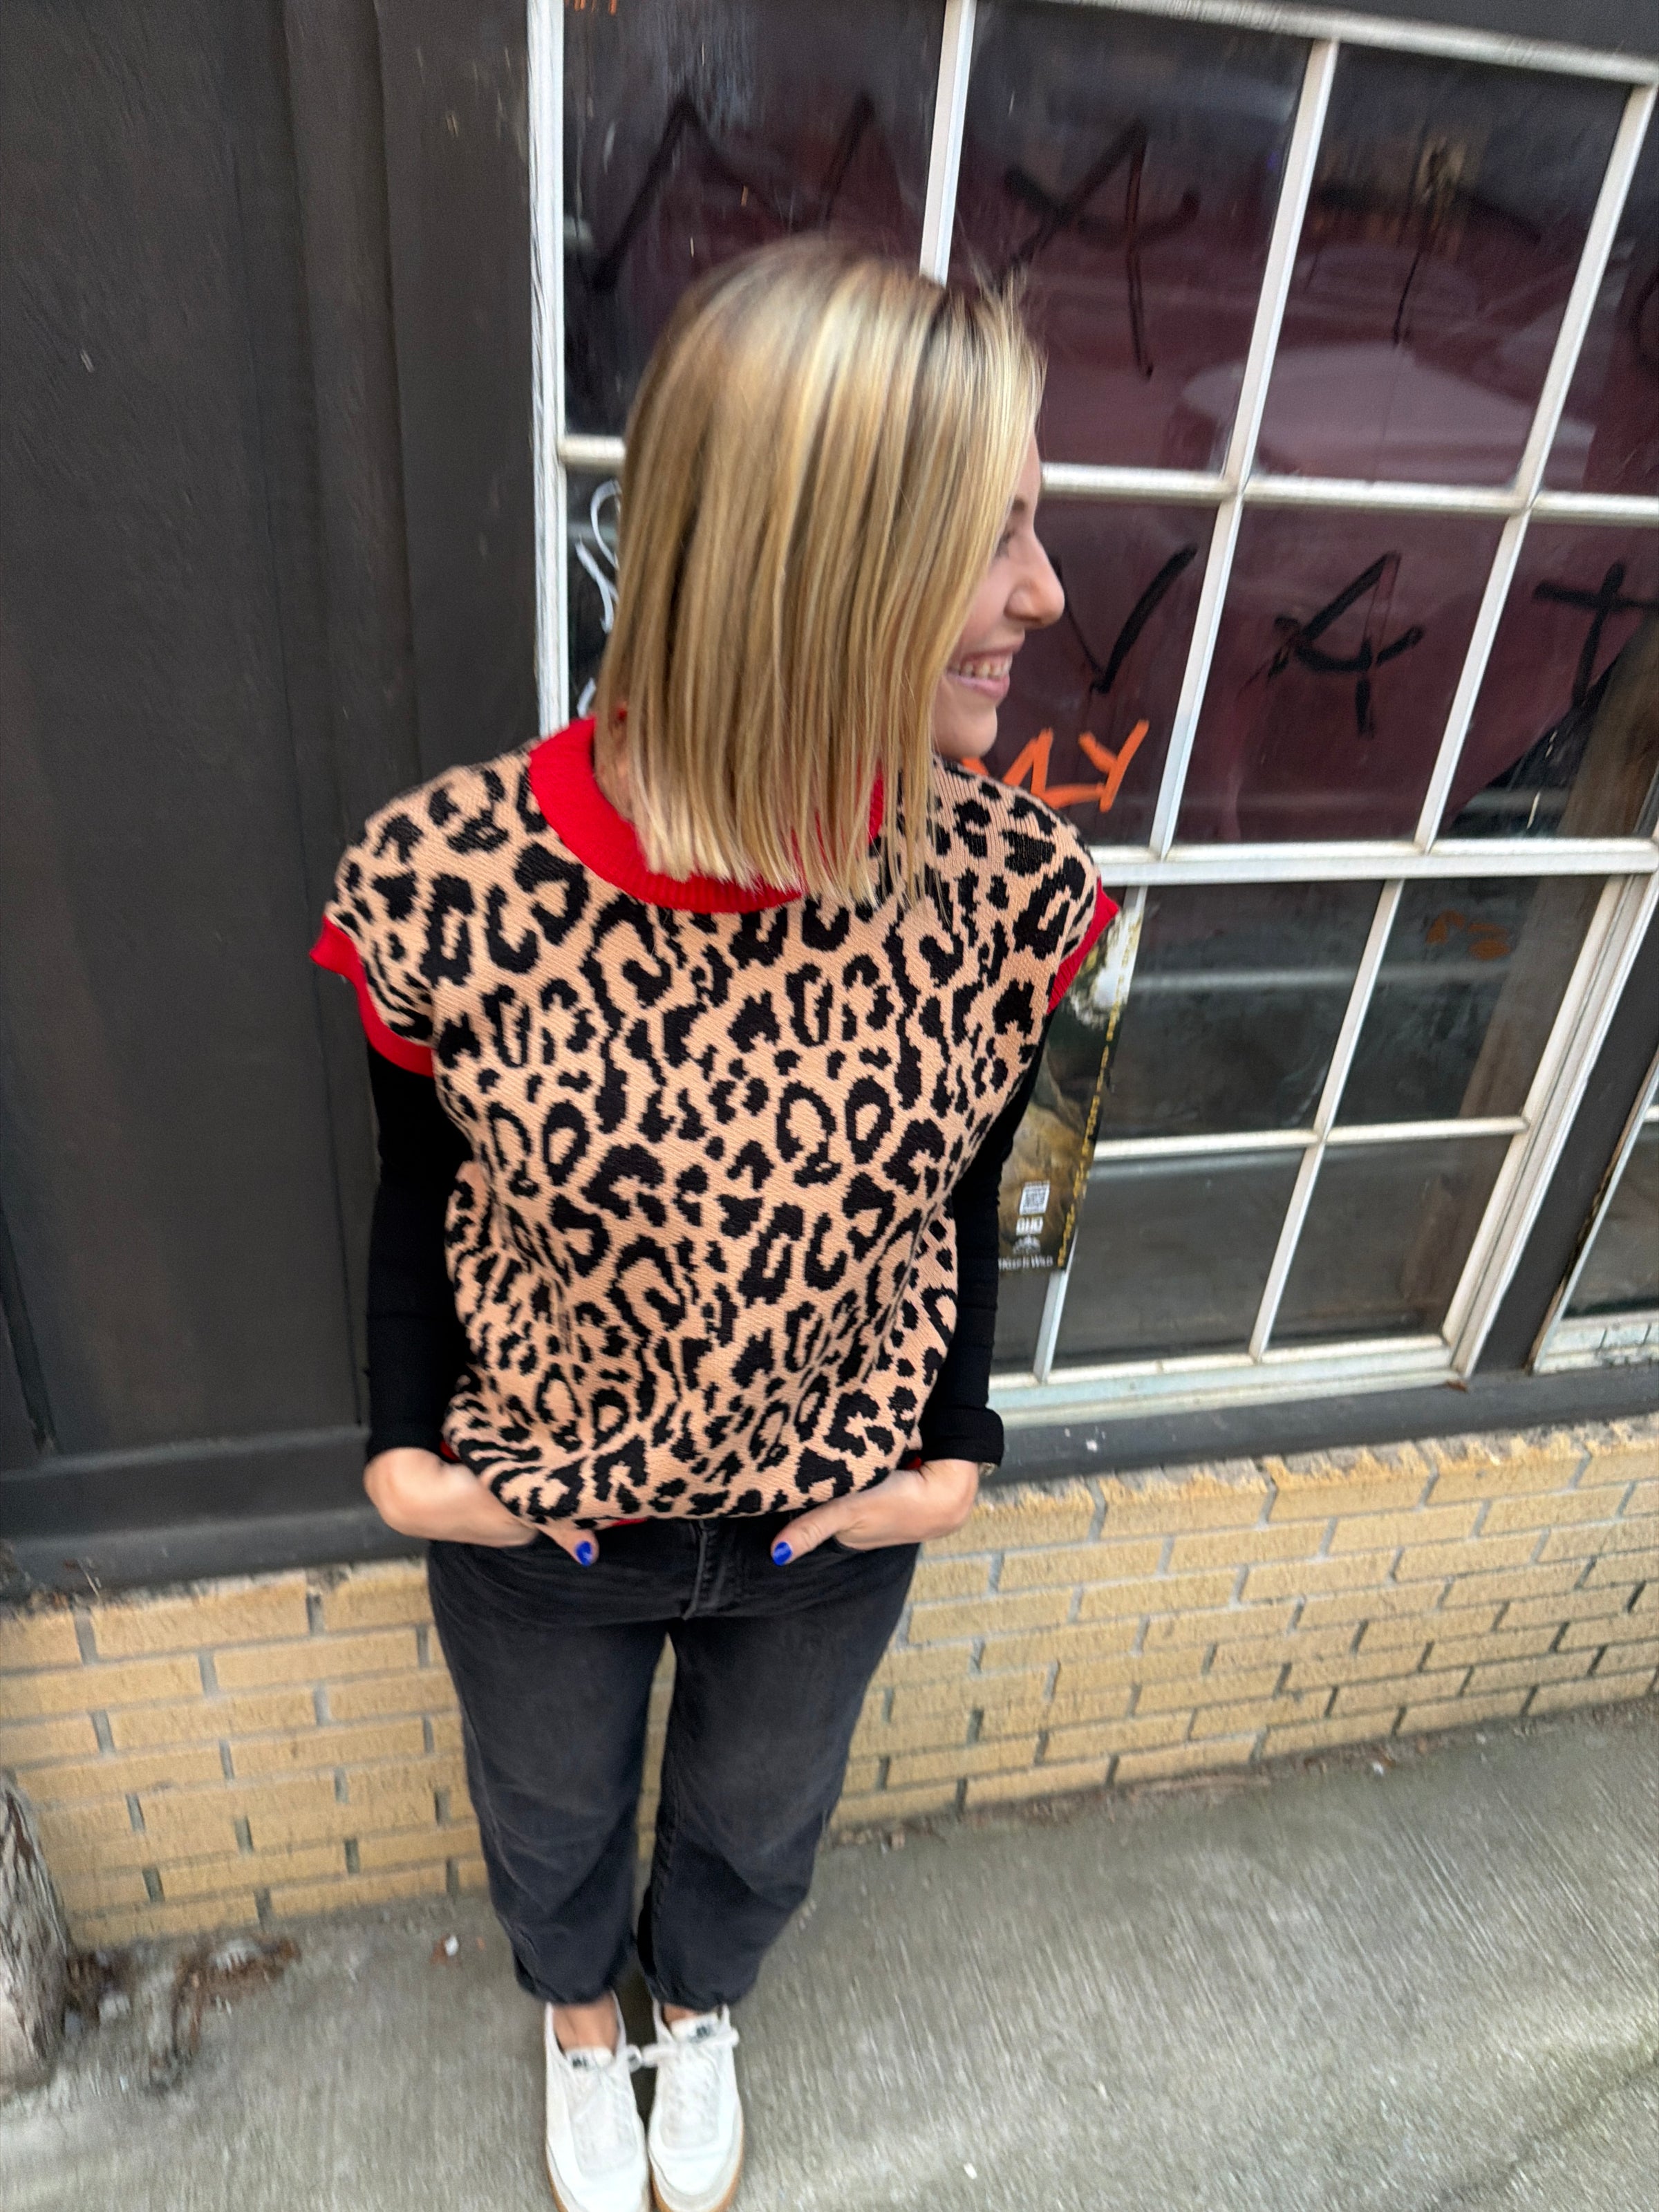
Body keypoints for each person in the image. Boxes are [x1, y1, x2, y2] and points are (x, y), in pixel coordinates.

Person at [312, 238, 1112, 2212]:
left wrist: (952, 1452)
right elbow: (421, 1178)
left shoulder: (1012, 891)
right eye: (993, 532)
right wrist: (409, 1459)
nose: (1045, 593)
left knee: (760, 1825)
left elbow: (977, 1182)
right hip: (548, 1520)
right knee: (552, 1815)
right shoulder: (451, 878)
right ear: (812, 554)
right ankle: (583, 2022)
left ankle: (700, 2006)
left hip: (829, 1519)